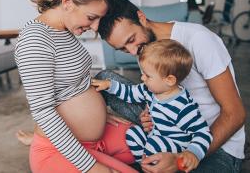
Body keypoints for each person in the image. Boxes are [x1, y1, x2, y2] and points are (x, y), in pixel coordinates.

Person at [96, 0, 246, 173]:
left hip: (214, 144)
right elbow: (157, 91)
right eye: (122, 49)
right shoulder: (143, 48)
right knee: (103, 78)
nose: (132, 51)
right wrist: (150, 111)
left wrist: (182, 159)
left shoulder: (198, 39)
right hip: (169, 131)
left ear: (141, 18)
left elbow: (235, 114)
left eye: (130, 40)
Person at [14, 0, 137, 173]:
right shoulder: (35, 41)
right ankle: (39, 146)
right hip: (58, 149)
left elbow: (72, 83)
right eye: (91, 17)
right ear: (68, 3)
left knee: (150, 146)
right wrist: (91, 167)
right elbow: (43, 111)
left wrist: (97, 114)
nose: (96, 27)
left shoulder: (63, 29)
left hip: (90, 137)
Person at [91, 39, 213, 173]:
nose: (142, 78)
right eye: (142, 73)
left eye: (147, 76)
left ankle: (151, 164)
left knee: (154, 144)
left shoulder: (182, 106)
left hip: (175, 146)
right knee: (132, 133)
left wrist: (193, 153)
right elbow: (130, 93)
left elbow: (203, 132)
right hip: (155, 135)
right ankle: (145, 164)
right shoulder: (149, 89)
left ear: (169, 80)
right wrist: (109, 85)